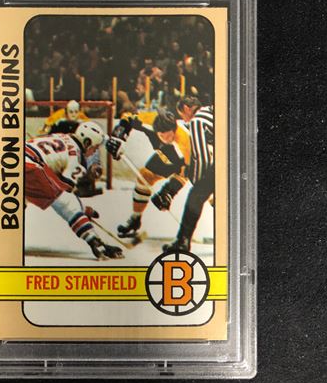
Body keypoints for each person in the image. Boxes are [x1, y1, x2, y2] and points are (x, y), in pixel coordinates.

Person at [25, 122, 123, 260]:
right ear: (87, 143)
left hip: (12, 158)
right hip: (29, 166)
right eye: (94, 148)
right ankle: (94, 240)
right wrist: (82, 210)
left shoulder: (60, 136)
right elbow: (64, 196)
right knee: (68, 203)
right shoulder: (76, 159)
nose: (94, 152)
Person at [105, 109, 191, 239]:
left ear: (174, 130)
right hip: (164, 156)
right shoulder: (149, 120)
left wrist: (169, 192)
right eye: (162, 136)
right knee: (144, 177)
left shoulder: (184, 141)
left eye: (170, 135)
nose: (166, 139)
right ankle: (135, 219)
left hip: (188, 161)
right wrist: (118, 137)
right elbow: (127, 117)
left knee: (207, 193)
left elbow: (189, 171)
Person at [155, 96, 215, 252]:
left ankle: (183, 241)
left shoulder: (197, 121)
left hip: (222, 162)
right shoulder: (210, 110)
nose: (184, 119)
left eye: (182, 115)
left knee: (195, 197)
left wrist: (198, 184)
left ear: (187, 108)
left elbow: (201, 157)